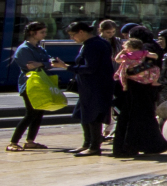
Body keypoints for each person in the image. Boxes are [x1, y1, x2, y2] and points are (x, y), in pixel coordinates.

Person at [59, 21, 115, 156]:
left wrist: (66, 67)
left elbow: (90, 68)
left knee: (92, 115)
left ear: (81, 32)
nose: (73, 38)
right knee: (84, 114)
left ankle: (94, 146)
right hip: (93, 86)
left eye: (73, 35)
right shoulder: (98, 43)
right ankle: (88, 144)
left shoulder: (93, 45)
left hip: (94, 86)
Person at [110, 34, 167, 159]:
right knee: (145, 116)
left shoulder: (138, 53)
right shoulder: (150, 50)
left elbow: (130, 67)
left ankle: (127, 147)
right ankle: (149, 145)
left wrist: (130, 72)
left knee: (129, 117)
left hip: (133, 89)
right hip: (145, 89)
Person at [8, 21, 57, 151]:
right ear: (32, 33)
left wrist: (41, 64)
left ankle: (30, 140)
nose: (44, 34)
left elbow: (49, 62)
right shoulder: (24, 49)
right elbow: (29, 65)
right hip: (29, 84)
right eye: (42, 32)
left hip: (41, 83)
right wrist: (44, 63)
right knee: (31, 113)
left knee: (39, 112)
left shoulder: (39, 48)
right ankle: (13, 142)